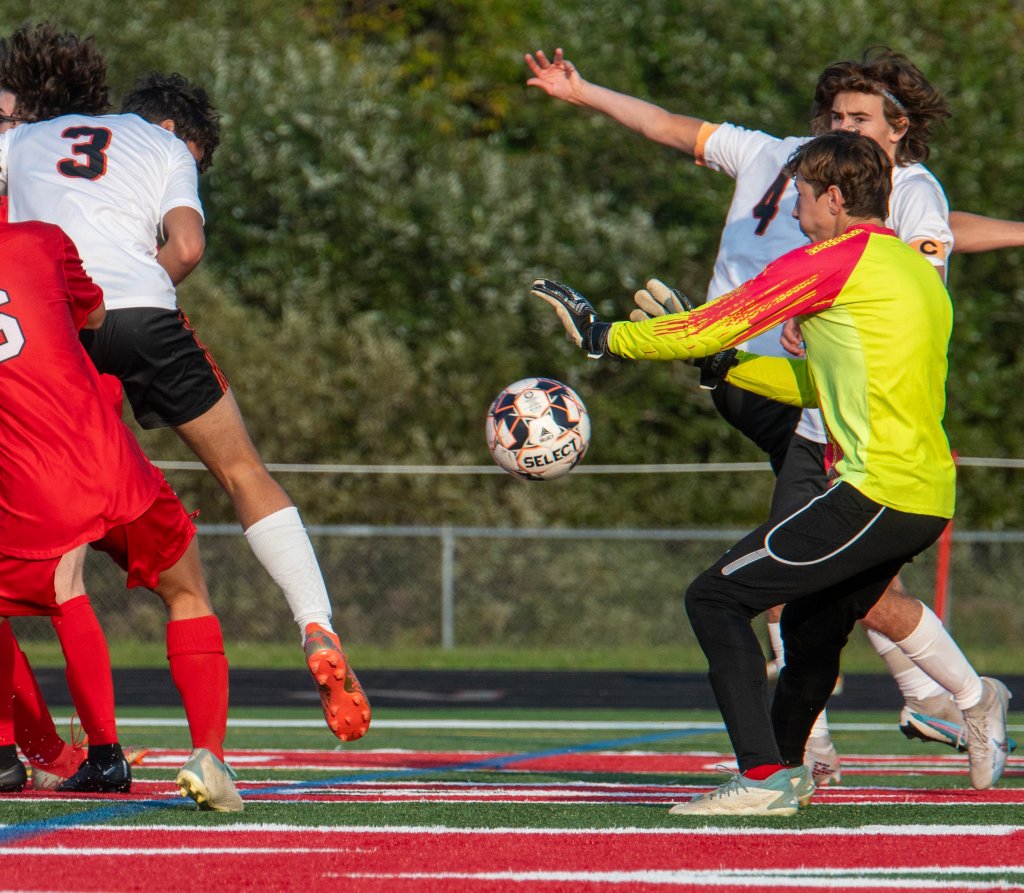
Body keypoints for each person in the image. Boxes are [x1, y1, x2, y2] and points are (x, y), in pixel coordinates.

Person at [525, 45, 1015, 783]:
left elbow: (712, 323)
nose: (792, 205)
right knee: (818, 617)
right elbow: (825, 377)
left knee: (722, 595)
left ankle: (771, 769)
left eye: (804, 196)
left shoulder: (856, 246)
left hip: (869, 474)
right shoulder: (892, 265)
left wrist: (607, 337)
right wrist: (741, 364)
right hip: (893, 468)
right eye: (834, 117)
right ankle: (822, 744)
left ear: (838, 197)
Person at [0, 24, 370, 744]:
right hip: (142, 312)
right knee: (241, 469)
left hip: (48, 331)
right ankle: (315, 621)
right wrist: (143, 291)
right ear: (172, 127)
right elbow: (189, 246)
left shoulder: (24, 141)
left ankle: (34, 744)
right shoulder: (166, 147)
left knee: (52, 507)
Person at [0, 216, 241, 810]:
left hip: (29, 471)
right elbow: (98, 316)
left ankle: (73, 754)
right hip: (104, 448)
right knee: (186, 589)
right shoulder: (39, 238)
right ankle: (207, 752)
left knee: (61, 590)